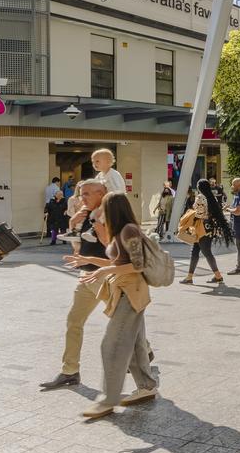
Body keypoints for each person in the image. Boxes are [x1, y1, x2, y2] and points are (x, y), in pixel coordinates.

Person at [67, 192, 158, 419]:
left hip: (131, 293)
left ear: (113, 209)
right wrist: (89, 261)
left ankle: (108, 400)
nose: (99, 213)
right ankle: (146, 387)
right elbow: (117, 262)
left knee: (113, 345)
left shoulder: (129, 230)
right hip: (125, 292)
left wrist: (105, 270)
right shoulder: (121, 231)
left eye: (103, 208)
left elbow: (139, 265)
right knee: (136, 345)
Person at [41, 180, 110, 388]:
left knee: (123, 322)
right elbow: (79, 246)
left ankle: (144, 351)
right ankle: (70, 371)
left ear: (102, 193)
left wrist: (97, 226)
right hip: (85, 276)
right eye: (81, 194)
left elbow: (111, 246)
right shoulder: (85, 213)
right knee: (74, 321)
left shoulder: (110, 213)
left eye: (87, 194)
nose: (82, 198)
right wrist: (73, 225)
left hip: (104, 276)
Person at [179, 179, 226, 285]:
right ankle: (189, 277)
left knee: (206, 252)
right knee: (195, 251)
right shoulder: (211, 196)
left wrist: (191, 214)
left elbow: (199, 214)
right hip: (208, 228)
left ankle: (218, 276)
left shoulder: (200, 197)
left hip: (201, 228)